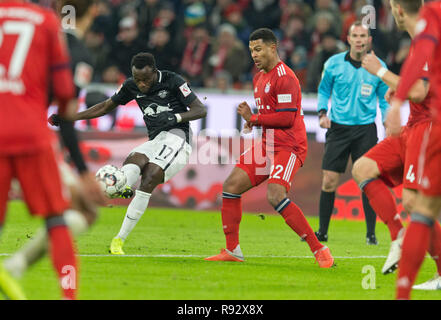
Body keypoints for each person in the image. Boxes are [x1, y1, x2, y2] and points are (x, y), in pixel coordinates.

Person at [51, 52, 207, 255]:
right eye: (138, 79)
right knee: (128, 169)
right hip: (155, 140)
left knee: (150, 177)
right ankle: (122, 186)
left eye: (145, 79)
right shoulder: (131, 85)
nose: (141, 84)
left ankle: (118, 240)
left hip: (178, 138)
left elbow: (200, 109)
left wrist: (175, 117)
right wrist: (70, 117)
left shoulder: (172, 80)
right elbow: (106, 106)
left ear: (154, 71)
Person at [205, 28, 334, 268]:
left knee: (275, 195)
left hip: (290, 146)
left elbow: (285, 118)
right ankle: (233, 250)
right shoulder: (258, 78)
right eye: (251, 50)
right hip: (268, 144)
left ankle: (319, 249)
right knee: (231, 186)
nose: (254, 55)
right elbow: (268, 116)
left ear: (273, 48)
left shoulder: (285, 77)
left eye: (259, 49)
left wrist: (253, 119)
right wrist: (251, 123)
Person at [2, 0, 108, 283]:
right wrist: (84, 172)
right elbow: (66, 117)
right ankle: (26, 267)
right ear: (94, 11)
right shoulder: (69, 47)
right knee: (78, 212)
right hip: (26, 134)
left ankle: (16, 266)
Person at [352, 0, 441, 286]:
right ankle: (398, 235)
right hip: (412, 125)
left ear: (399, 10)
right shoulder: (419, 40)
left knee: (415, 203)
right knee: (363, 168)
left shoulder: (427, 39)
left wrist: (379, 71)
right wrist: (396, 87)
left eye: (391, 5)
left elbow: (419, 90)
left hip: (427, 128)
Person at [385, 0, 441, 300]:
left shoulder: (432, 16)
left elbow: (420, 51)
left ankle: (402, 295)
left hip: (435, 124)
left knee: (422, 208)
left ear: (397, 8)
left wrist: (397, 101)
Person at [316, 21, 390, 244]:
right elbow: (323, 91)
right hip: (338, 128)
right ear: (348, 39)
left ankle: (370, 234)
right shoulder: (333, 64)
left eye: (363, 36)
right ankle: (322, 232)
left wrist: (387, 124)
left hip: (366, 130)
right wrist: (322, 114)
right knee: (329, 180)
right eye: (355, 35)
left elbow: (385, 101)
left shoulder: (378, 67)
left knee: (368, 179)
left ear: (369, 40)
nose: (359, 40)